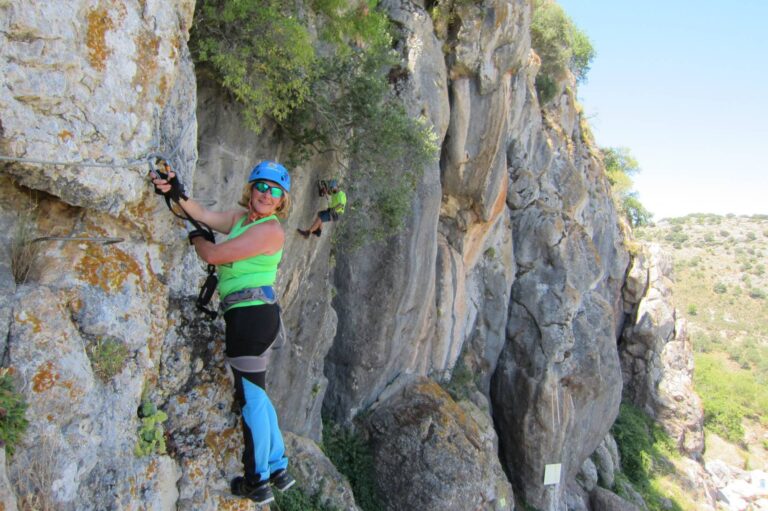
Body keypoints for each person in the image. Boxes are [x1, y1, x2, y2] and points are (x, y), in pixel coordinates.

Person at [151, 160, 295, 506]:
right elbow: (201, 212)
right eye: (261, 186)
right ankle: (278, 467)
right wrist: (177, 192)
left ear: (281, 201)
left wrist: (199, 240)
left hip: (251, 317)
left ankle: (256, 479)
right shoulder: (241, 219)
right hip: (251, 315)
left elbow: (214, 254)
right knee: (256, 392)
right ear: (251, 189)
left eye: (274, 191)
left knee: (250, 399)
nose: (265, 194)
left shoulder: (271, 230)